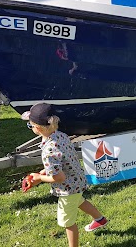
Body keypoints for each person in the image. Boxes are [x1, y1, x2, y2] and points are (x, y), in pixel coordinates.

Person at [23, 103, 108, 247]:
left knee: (68, 222)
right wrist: (41, 174)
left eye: (29, 125)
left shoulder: (49, 150)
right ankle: (100, 220)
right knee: (80, 201)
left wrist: (39, 178)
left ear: (37, 128)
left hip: (67, 189)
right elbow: (60, 164)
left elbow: (59, 177)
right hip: (77, 180)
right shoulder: (60, 135)